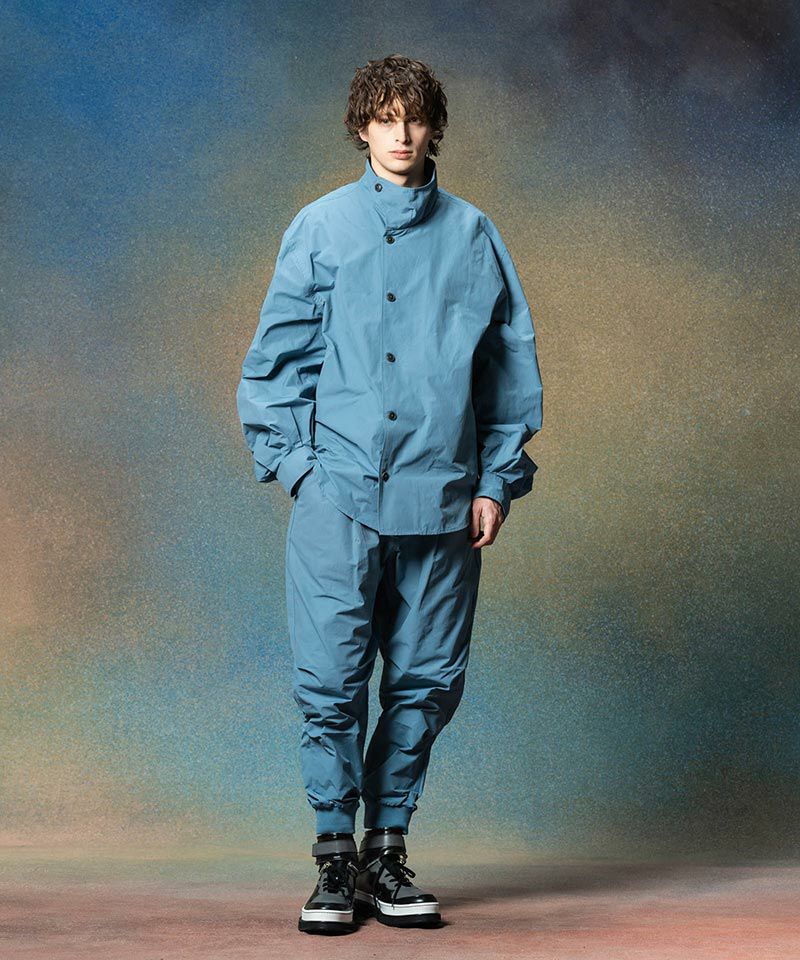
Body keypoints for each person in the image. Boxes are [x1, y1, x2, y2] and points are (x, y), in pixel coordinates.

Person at [236, 54, 543, 936]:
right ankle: (334, 859)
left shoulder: (474, 234)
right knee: (330, 681)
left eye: (414, 117)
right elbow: (274, 367)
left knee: (423, 684)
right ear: (361, 128)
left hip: (445, 503)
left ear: (434, 127)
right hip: (338, 497)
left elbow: (507, 369)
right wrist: (302, 474)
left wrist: (496, 482)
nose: (400, 133)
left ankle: (387, 851)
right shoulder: (321, 228)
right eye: (384, 117)